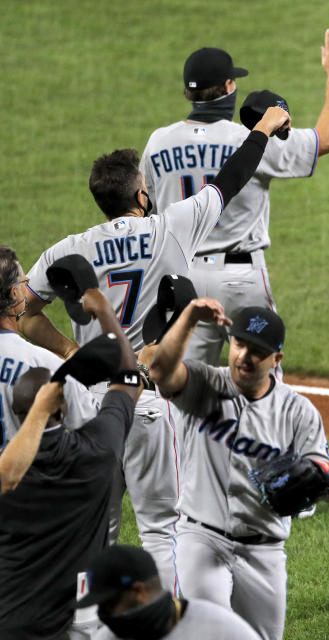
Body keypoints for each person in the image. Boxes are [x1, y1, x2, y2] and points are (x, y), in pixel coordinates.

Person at [18, 106, 291, 590]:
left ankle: (91, 629)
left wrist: (71, 354)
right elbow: (229, 180)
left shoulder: (67, 250)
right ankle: (169, 627)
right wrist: (262, 131)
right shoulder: (172, 227)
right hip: (144, 400)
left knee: (95, 533)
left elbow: (24, 312)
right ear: (142, 195)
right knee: (162, 530)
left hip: (87, 406)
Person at [141, 28, 329, 366]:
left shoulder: (158, 143)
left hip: (186, 279)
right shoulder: (253, 139)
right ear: (228, 88)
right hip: (241, 279)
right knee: (263, 380)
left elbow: (144, 211)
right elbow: (326, 139)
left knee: (187, 388)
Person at [147, 299, 329, 640]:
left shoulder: (298, 411)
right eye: (239, 344)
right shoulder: (203, 383)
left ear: (276, 359)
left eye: (257, 351)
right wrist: (190, 317)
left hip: (263, 550)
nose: (243, 357)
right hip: (201, 538)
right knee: (208, 634)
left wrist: (320, 477)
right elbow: (161, 373)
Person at [0, 287, 142, 640]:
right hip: (70, 619)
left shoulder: (8, 485)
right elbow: (125, 382)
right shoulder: (96, 455)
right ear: (60, 408)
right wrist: (107, 314)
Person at [0, 246, 98, 445]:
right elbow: (94, 423)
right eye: (22, 280)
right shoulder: (44, 365)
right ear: (15, 293)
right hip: (25, 474)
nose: (27, 281)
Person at [78, 545, 260, 640]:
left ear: (139, 592)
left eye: (109, 604)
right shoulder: (107, 637)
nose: (103, 615)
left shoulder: (221, 629)